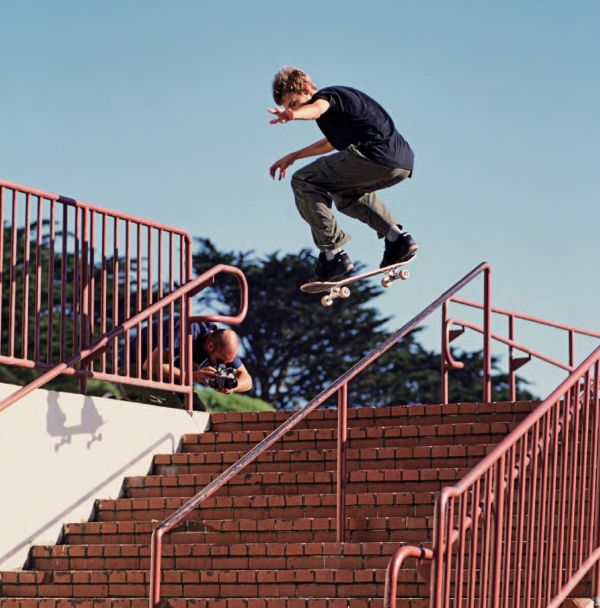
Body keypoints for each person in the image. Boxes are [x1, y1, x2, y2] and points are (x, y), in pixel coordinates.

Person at [268, 67, 417, 283]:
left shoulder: (327, 97)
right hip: (399, 163)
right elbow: (329, 144)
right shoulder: (337, 114)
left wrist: (294, 115)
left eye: (293, 102)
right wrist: (295, 155)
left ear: (306, 88)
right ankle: (397, 239)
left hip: (373, 155)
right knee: (345, 195)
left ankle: (332, 255)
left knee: (303, 180)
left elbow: (317, 108)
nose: (292, 109)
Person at [125, 314, 253, 395]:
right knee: (172, 410)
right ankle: (117, 399)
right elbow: (150, 365)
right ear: (210, 346)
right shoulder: (187, 332)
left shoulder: (223, 349)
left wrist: (233, 385)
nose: (223, 365)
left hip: (168, 376)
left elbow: (248, 380)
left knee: (197, 411)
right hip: (134, 366)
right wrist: (191, 376)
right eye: (220, 360)